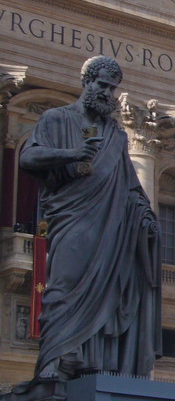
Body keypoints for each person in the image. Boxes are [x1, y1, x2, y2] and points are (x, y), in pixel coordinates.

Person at [19, 56, 161, 382]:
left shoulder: (116, 134)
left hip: (110, 224)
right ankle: (53, 362)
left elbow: (129, 184)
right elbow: (29, 156)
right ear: (86, 81)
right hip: (73, 217)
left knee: (107, 292)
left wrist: (145, 217)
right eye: (102, 85)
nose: (107, 93)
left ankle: (89, 361)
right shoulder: (56, 119)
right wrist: (72, 154)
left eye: (112, 88)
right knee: (63, 287)